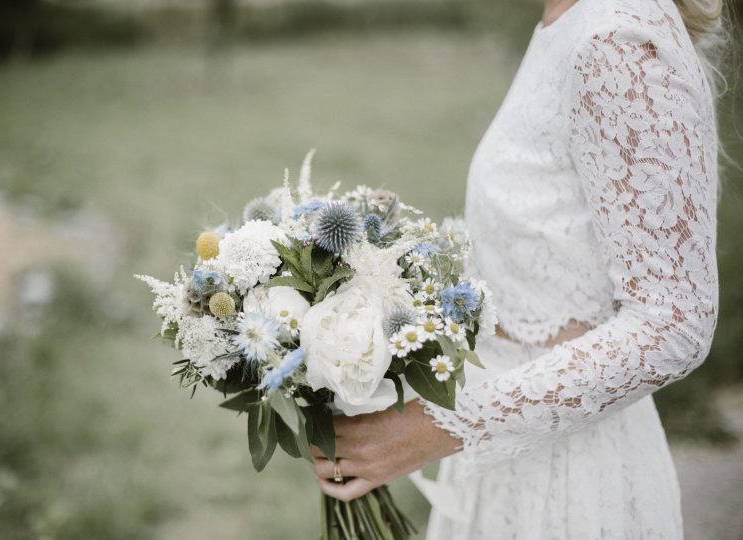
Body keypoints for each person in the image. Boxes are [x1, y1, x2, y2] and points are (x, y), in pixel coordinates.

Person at [310, 0, 727, 537]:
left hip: (572, 481)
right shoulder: (563, 19)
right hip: (502, 458)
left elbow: (675, 323)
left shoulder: (617, 41)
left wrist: (434, 427)